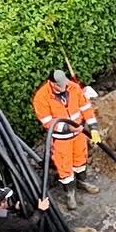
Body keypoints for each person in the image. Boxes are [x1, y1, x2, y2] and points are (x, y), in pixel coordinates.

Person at [32, 69, 101, 211]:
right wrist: (69, 128)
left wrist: (93, 127)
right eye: (60, 85)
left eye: (65, 83)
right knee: (64, 167)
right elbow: (47, 122)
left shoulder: (73, 87)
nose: (64, 87)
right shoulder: (41, 97)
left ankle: (82, 182)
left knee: (80, 159)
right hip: (61, 139)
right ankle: (70, 193)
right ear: (52, 83)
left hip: (78, 135)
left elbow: (86, 107)